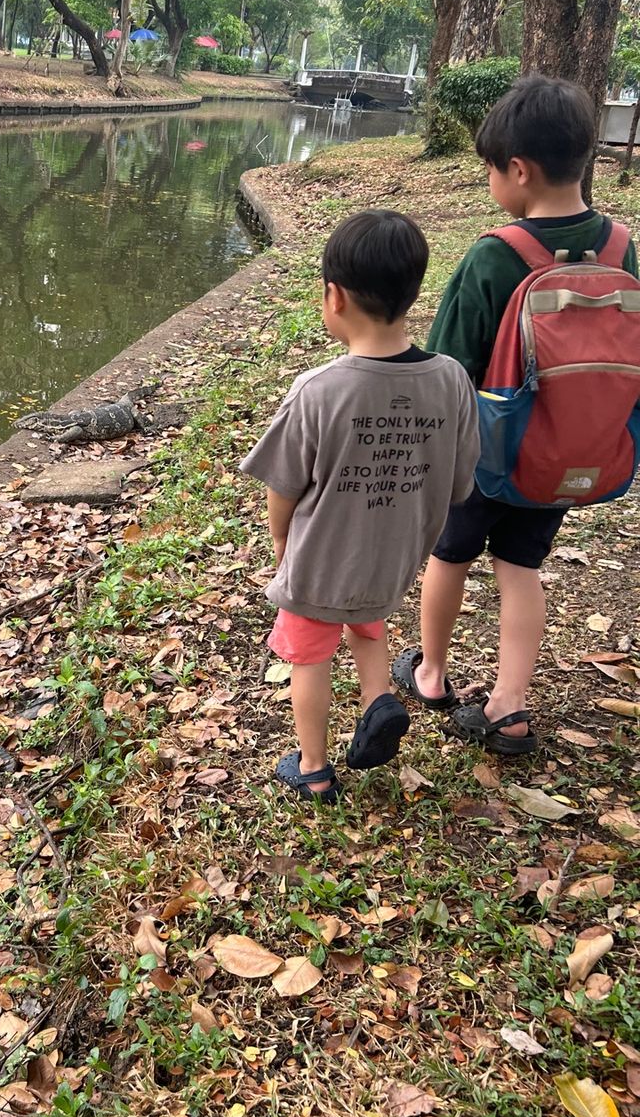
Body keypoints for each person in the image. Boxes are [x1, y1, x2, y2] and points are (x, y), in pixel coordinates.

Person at [394, 75, 638, 753]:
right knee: (521, 567)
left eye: (491, 171)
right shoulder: (622, 248)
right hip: (569, 451)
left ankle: (433, 673)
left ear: (519, 170)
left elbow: (447, 365)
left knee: (450, 555)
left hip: (486, 455)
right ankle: (510, 704)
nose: (491, 183)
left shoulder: (496, 255)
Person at [242, 210, 479, 802]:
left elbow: (283, 485)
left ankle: (315, 766)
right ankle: (379, 700)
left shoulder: (319, 389)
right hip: (395, 554)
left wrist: (281, 541)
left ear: (334, 296)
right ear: (413, 291)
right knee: (366, 622)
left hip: (322, 556)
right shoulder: (450, 379)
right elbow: (458, 483)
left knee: (308, 653)